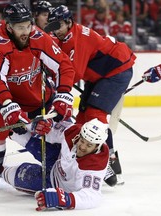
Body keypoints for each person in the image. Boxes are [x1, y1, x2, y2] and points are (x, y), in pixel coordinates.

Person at [0, 2, 75, 203]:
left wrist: (64, 93)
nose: (26, 31)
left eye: (28, 25)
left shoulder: (37, 37)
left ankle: (78, 162)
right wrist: (7, 103)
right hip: (8, 99)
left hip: (39, 98)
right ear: (9, 26)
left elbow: (64, 65)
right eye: (20, 27)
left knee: (65, 130)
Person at [45, 5, 136, 187]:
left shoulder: (79, 38)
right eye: (52, 27)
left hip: (116, 71)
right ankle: (85, 156)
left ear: (69, 22)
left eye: (58, 26)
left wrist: (52, 85)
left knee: (95, 114)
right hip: (99, 75)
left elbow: (73, 74)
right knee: (82, 116)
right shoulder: (64, 36)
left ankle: (106, 159)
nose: (55, 31)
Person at [2, 118, 109, 211]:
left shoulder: (96, 164)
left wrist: (64, 198)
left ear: (97, 147)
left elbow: (92, 196)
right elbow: (51, 130)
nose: (82, 147)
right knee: (20, 134)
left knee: (16, 175)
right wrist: (33, 125)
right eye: (82, 140)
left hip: (55, 184)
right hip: (57, 157)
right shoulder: (73, 131)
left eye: (89, 145)